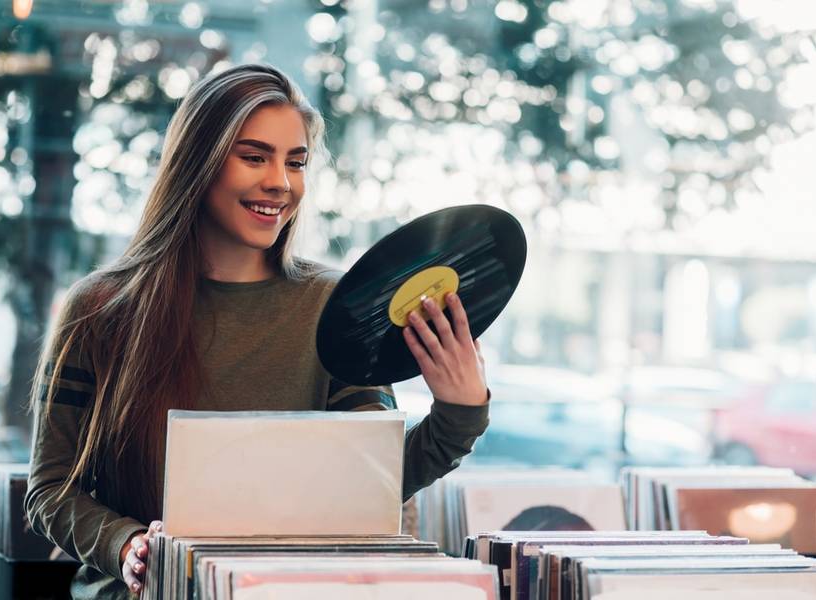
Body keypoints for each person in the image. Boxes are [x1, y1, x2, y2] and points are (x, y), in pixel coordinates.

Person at [24, 63, 490, 599]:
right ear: (196, 164)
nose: (280, 182)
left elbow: (371, 484)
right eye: (254, 157)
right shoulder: (101, 308)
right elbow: (51, 492)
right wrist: (126, 544)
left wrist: (459, 412)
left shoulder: (333, 306)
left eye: (296, 162)